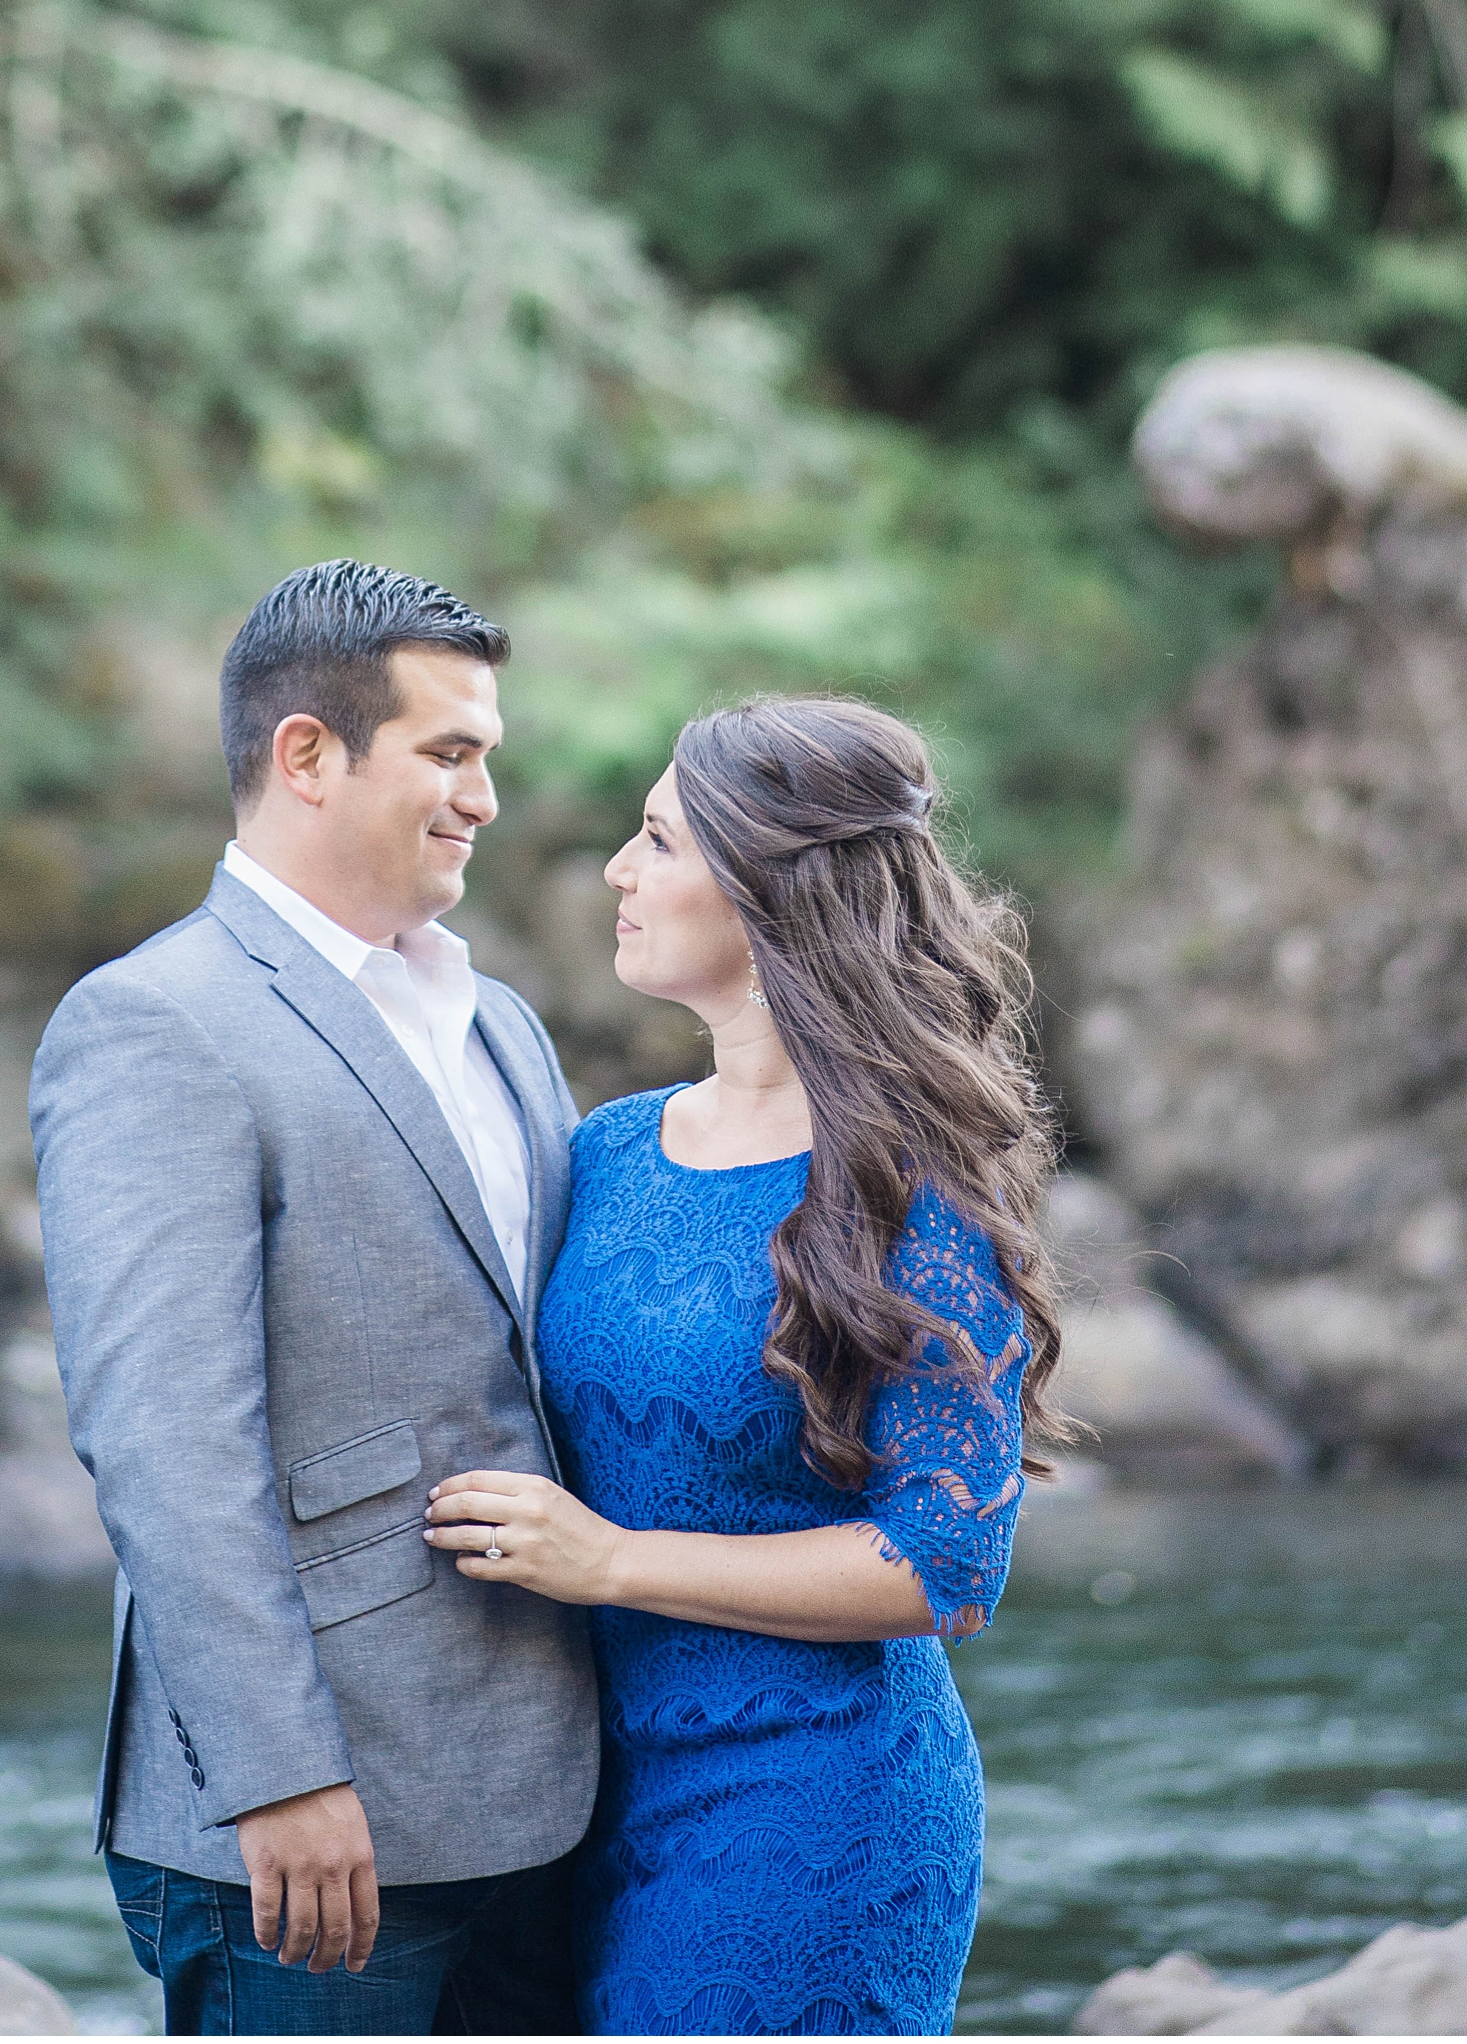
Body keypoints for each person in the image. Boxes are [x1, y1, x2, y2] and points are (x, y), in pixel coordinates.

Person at [424, 696, 1067, 2039]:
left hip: (813, 1806)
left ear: (771, 891)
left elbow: (943, 1565)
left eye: (657, 838)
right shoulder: (607, 1147)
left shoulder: (914, 1190)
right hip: (576, 1796)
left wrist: (612, 1561)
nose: (618, 866)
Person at [30, 560, 599, 2037]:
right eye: (450, 752)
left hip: (548, 1783)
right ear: (306, 755)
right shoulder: (154, 1023)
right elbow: (163, 1437)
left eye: (489, 756)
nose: (484, 795)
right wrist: (280, 1772)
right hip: (310, 1816)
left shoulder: (505, 1025)